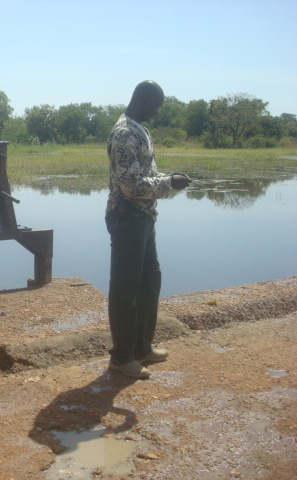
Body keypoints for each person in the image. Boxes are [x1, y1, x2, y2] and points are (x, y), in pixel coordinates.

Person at [105, 81, 190, 379]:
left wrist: (167, 177)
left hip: (143, 217)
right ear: (142, 99)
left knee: (149, 282)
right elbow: (131, 186)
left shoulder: (138, 128)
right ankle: (122, 356)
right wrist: (170, 183)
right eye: (155, 105)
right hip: (127, 217)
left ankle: (142, 348)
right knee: (125, 289)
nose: (156, 112)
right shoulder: (125, 133)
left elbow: (145, 176)